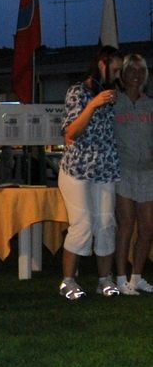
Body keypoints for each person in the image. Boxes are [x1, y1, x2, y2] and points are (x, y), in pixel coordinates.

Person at [57, 45, 124, 300]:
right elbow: (71, 132)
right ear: (102, 65)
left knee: (106, 224)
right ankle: (67, 281)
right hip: (77, 170)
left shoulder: (112, 95)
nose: (117, 75)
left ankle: (104, 280)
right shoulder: (78, 91)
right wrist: (93, 104)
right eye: (115, 70)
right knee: (82, 224)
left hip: (105, 170)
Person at [113, 53, 153, 295]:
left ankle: (136, 277)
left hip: (147, 172)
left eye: (141, 71)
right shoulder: (114, 102)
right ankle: (120, 278)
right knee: (126, 224)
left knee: (147, 227)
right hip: (123, 171)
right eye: (132, 70)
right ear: (123, 74)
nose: (136, 75)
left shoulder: (150, 105)